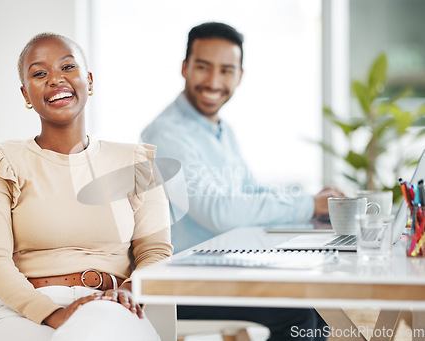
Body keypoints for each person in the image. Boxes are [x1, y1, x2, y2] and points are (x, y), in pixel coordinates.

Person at [0, 32, 172, 341]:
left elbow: (156, 251)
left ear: (89, 80)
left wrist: (130, 291)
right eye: (39, 73)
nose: (55, 80)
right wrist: (54, 315)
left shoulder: (136, 162)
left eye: (68, 67)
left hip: (113, 304)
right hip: (27, 311)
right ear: (25, 94)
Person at [141, 22, 343, 340]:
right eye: (203, 68)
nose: (213, 82)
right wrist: (307, 205)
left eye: (226, 70)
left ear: (239, 75)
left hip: (222, 271)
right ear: (184, 68)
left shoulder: (221, 130)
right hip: (179, 283)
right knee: (299, 313)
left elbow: (249, 191)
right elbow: (221, 212)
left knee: (317, 304)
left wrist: (312, 202)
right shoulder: (167, 135)